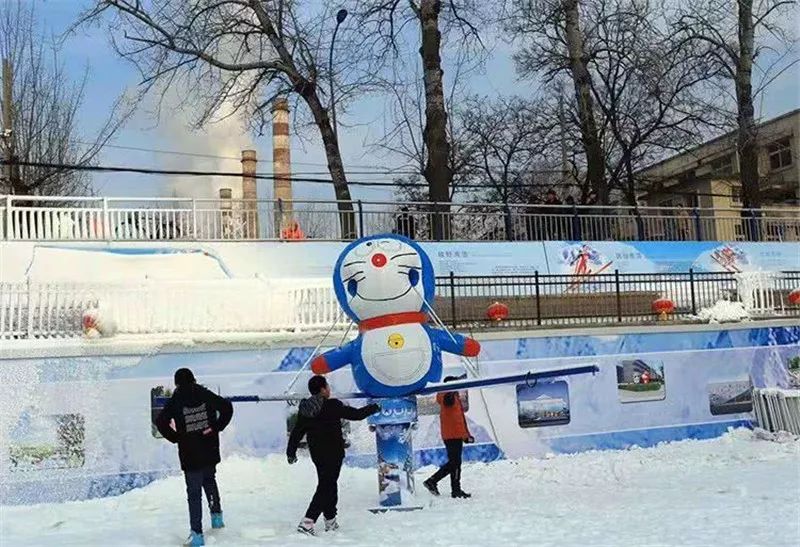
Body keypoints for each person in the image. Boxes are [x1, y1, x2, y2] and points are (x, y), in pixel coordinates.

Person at [287, 375, 381, 536]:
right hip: (333, 452)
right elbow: (356, 415)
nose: (329, 389)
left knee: (328, 483)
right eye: (327, 386)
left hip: (317, 453)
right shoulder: (332, 405)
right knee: (326, 485)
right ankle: (308, 522)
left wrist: (291, 452)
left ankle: (330, 520)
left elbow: (297, 431)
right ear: (323, 389)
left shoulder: (305, 408)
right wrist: (375, 407)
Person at [154, 368, 234, 547]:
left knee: (194, 493)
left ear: (177, 383)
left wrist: (175, 437)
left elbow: (160, 422)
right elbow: (227, 407)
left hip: (190, 452)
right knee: (210, 480)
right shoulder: (203, 393)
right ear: (193, 379)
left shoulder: (176, 399)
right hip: (209, 447)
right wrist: (216, 427)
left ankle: (197, 535)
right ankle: (216, 518)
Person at [423, 376, 474, 499]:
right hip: (452, 435)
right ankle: (433, 481)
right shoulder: (446, 394)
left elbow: (459, 420)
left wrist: (466, 436)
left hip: (455, 434)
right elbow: (447, 401)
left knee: (455, 463)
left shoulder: (453, 396)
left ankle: (454, 489)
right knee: (454, 463)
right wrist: (451, 388)